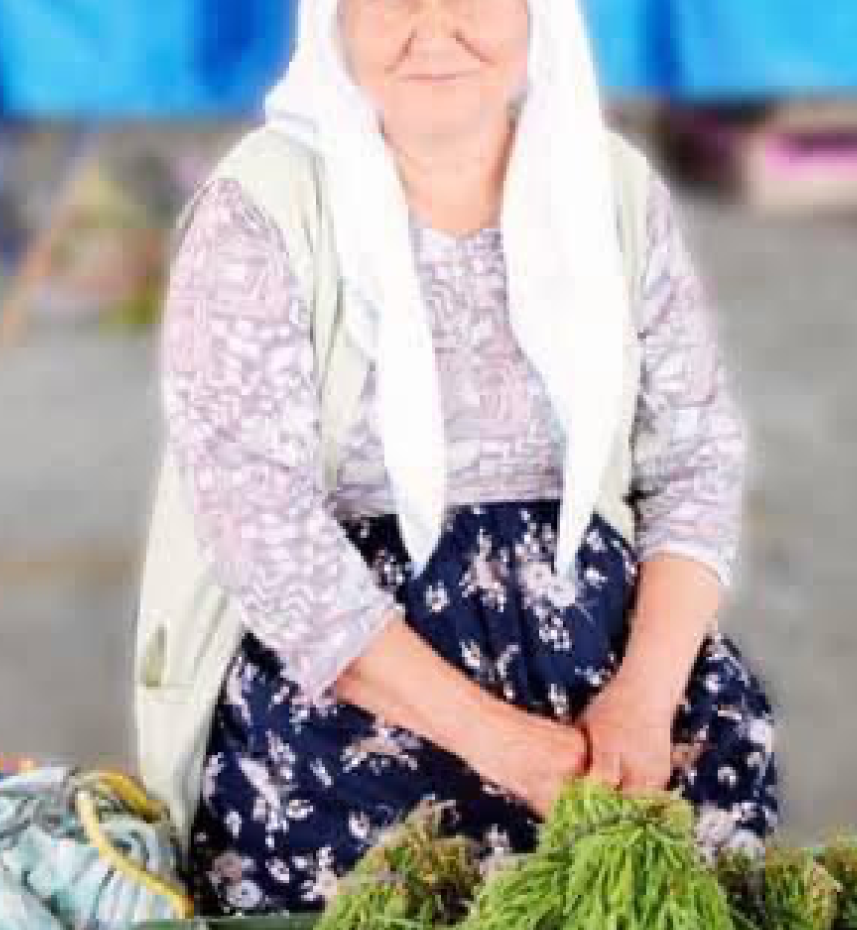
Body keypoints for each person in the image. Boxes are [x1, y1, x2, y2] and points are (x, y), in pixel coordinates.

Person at [157, 0, 780, 915]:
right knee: (395, 886)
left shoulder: (610, 190)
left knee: (697, 842)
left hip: (613, 677)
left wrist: (644, 703)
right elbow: (260, 528)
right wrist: (502, 744)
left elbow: (694, 459)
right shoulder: (263, 208)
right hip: (362, 687)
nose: (434, 25)